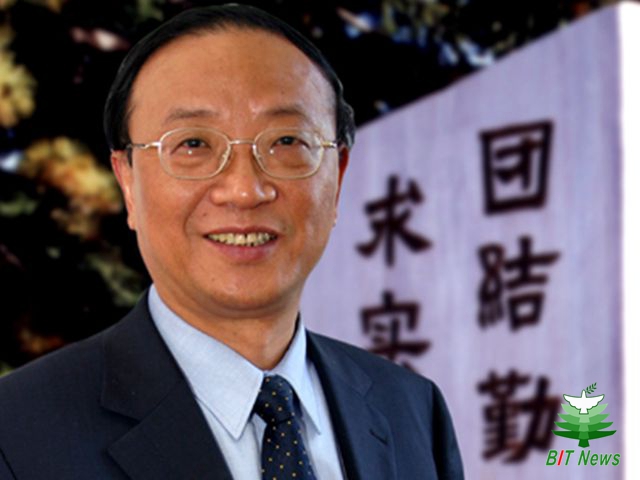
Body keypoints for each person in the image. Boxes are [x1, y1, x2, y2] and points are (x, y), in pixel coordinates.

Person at [0, 4, 463, 479]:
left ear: (338, 177)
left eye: (286, 142)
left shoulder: (411, 410)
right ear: (127, 182)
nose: (244, 190)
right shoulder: (16, 434)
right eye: (194, 145)